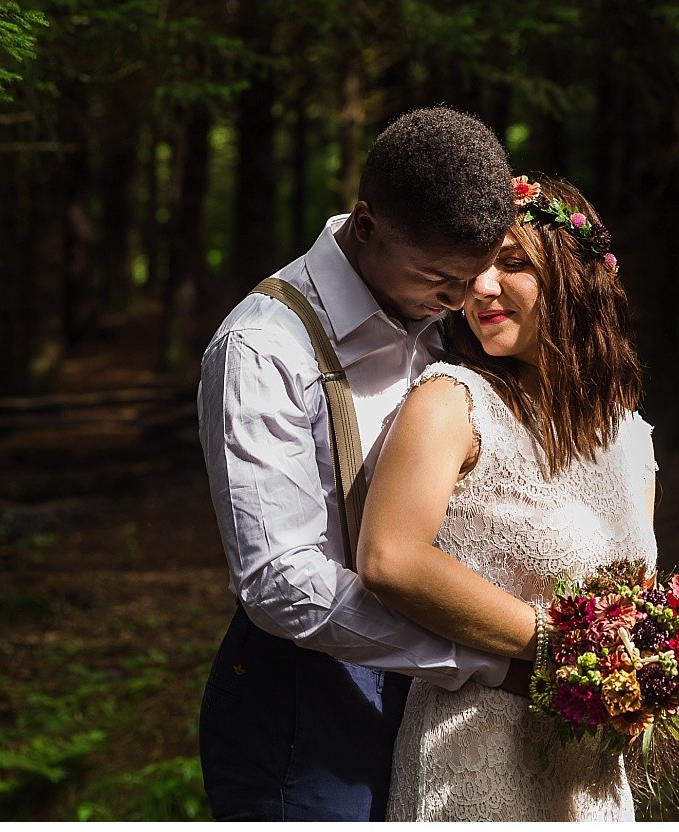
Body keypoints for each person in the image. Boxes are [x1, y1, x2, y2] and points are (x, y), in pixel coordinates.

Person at [196, 106, 529, 821]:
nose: (463, 299)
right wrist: (487, 658)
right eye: (440, 280)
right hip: (303, 707)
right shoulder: (264, 348)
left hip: (432, 704)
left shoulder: (442, 320)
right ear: (367, 223)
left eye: (471, 276)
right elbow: (280, 582)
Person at [356, 174, 658, 821]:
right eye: (474, 269)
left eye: (513, 262)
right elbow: (390, 556)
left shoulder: (630, 435)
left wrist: (652, 669)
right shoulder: (451, 401)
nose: (482, 287)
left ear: (577, 275)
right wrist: (562, 642)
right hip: (475, 758)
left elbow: (630, 602)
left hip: (592, 771)